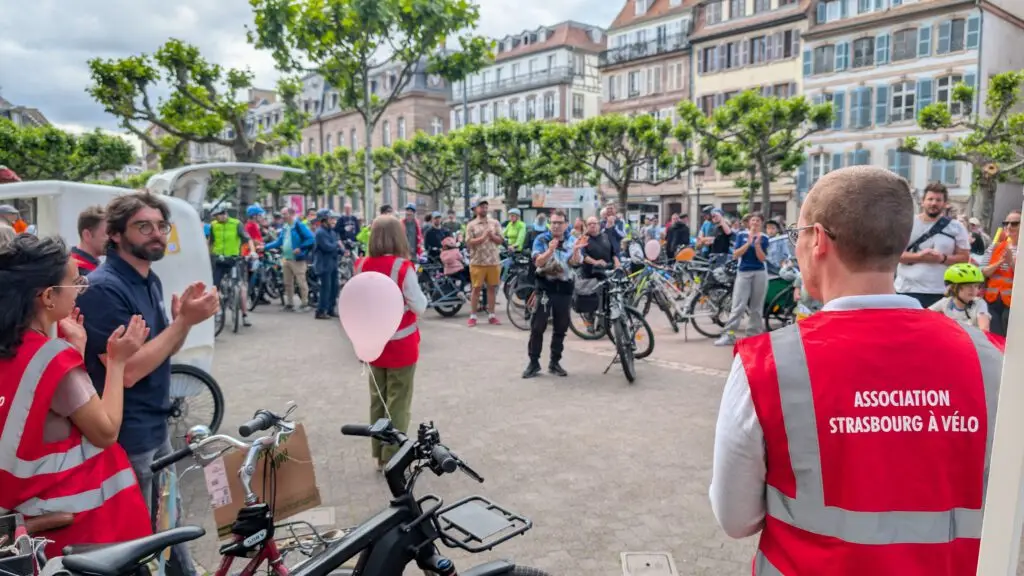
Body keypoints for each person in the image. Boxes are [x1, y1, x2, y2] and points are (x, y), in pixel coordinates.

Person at [710, 166, 1004, 575]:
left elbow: (735, 517)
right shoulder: (993, 359)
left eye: (798, 236)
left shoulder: (766, 364)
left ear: (819, 241)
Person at [75, 193, 218, 575]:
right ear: (116, 234)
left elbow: (161, 352)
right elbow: (130, 370)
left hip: (155, 427)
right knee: (139, 541)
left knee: (169, 524)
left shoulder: (148, 279)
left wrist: (178, 324)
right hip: (129, 434)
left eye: (160, 226)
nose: (156, 234)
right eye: (143, 226)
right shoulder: (103, 289)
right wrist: (182, 322)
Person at [0, 235, 153, 557]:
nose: (81, 289)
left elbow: (45, 415)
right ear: (48, 297)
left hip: (22, 514)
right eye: (73, 282)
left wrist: (75, 353)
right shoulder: (51, 358)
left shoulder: (16, 348)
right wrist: (117, 361)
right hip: (79, 529)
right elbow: (106, 430)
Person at [356, 216, 428, 470]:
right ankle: (393, 456)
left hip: (373, 344)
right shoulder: (403, 267)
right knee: (398, 401)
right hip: (401, 344)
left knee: (378, 400)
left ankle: (378, 453)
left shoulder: (362, 265)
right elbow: (419, 305)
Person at [525, 210, 587, 379]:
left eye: (559, 222)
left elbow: (575, 263)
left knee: (561, 326)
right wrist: (549, 251)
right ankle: (533, 362)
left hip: (564, 288)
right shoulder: (542, 239)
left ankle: (554, 362)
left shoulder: (572, 240)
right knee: (538, 326)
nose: (556, 226)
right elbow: (538, 261)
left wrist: (575, 253)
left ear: (566, 224)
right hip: (545, 287)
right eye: (553, 223)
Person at [896, 182, 971, 308]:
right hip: (907, 289)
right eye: (930, 199)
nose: (934, 203)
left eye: (938, 200)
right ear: (922, 201)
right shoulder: (907, 223)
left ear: (945, 203)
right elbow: (895, 255)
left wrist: (942, 258)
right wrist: (920, 256)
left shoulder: (956, 227)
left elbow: (964, 258)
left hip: (940, 292)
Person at [714, 212, 769, 346]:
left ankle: (753, 335)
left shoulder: (764, 238)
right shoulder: (741, 235)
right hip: (744, 272)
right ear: (749, 223)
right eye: (753, 220)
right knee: (738, 305)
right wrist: (747, 244)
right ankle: (729, 335)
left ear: (761, 224)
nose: (755, 223)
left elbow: (762, 258)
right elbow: (735, 254)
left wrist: (756, 246)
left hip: (759, 273)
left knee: (756, 306)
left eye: (758, 221)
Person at [208, 205, 257, 327]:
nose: (217, 218)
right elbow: (210, 242)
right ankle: (217, 311)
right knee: (215, 287)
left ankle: (245, 315)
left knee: (240, 287)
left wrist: (253, 251)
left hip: (234, 259)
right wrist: (206, 254)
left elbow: (248, 239)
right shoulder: (213, 225)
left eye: (218, 215)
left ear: (224, 213)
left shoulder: (236, 224)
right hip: (218, 260)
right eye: (215, 216)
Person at [265, 207, 315, 312]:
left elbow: (311, 239)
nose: (283, 216)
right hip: (286, 258)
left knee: (301, 281)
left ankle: (305, 304)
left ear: (292, 214)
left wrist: (300, 248)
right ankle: (290, 304)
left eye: (285, 214)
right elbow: (279, 242)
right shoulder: (285, 226)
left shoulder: (299, 225)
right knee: (287, 282)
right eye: (282, 214)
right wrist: (265, 247)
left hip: (297, 259)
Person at [465, 198, 503, 327]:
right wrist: (482, 237)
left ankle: (492, 315)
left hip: (493, 261)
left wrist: (493, 237)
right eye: (481, 207)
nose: (484, 209)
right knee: (476, 289)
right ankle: (473, 316)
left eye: (486, 207)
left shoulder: (495, 223)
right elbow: (469, 242)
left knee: (492, 288)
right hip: (477, 261)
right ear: (476, 209)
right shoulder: (471, 225)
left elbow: (501, 240)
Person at [980, 209, 1018, 336]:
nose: (1009, 226)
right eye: (1006, 223)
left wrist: (1011, 262)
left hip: (1015, 306)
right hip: (992, 301)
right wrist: (999, 262)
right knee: (994, 339)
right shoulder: (995, 247)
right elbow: (983, 272)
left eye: (1014, 223)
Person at [929, 263, 991, 331]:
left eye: (976, 286)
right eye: (968, 286)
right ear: (953, 288)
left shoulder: (979, 303)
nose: (973, 290)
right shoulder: (946, 302)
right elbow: (923, 315)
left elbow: (984, 329)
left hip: (972, 340)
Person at [313, 209, 342, 319]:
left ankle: (330, 309)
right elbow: (327, 247)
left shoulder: (332, 232)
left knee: (334, 288)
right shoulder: (320, 232)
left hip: (332, 263)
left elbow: (335, 247)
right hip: (324, 264)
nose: (333, 220)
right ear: (324, 220)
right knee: (326, 289)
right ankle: (321, 311)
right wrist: (337, 245)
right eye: (331, 218)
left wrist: (342, 250)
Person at [72, 205, 108, 275]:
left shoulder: (68, 260)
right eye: (106, 234)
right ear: (87, 235)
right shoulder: (76, 273)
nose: (112, 239)